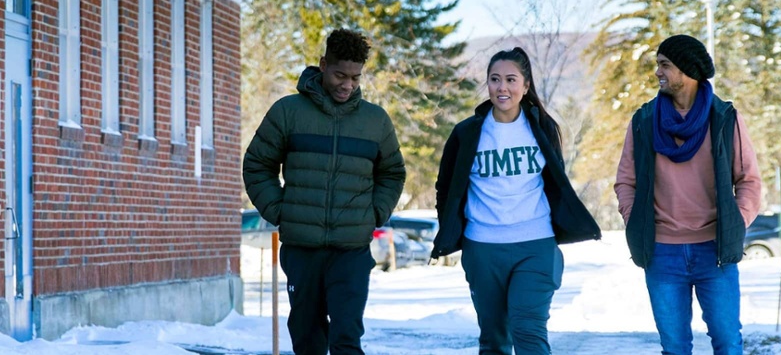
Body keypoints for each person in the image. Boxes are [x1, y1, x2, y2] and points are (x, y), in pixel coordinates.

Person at [242, 28, 405, 355]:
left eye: (356, 78)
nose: (348, 85)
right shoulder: (288, 112)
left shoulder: (375, 121)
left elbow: (392, 172)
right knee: (307, 339)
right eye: (340, 75)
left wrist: (374, 214)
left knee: (346, 338)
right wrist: (281, 211)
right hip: (302, 249)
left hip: (352, 250)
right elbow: (258, 164)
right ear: (323, 65)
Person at [431, 47, 601, 355]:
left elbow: (555, 182)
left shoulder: (543, 128)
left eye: (511, 80)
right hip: (482, 247)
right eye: (495, 79)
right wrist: (450, 230)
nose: (502, 87)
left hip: (535, 244)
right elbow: (446, 187)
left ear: (525, 86)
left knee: (529, 331)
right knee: (494, 340)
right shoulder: (467, 133)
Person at [613, 34, 762, 355]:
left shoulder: (724, 119)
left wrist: (736, 223)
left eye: (665, 65)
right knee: (675, 347)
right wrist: (634, 220)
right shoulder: (644, 120)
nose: (657, 73)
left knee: (728, 343)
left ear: (688, 71)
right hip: (662, 253)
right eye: (657, 65)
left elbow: (749, 180)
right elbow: (626, 180)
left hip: (715, 251)